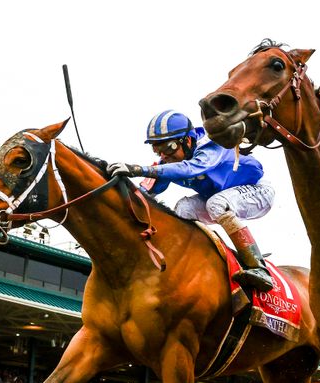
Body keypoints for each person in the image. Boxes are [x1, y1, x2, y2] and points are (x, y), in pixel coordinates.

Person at [109, 110, 276, 291]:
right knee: (183, 209)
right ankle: (189, 261)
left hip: (257, 191)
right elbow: (143, 194)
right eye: (157, 149)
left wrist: (137, 169)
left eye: (169, 147)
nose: (164, 155)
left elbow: (190, 169)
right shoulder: (168, 163)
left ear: (187, 140)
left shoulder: (212, 145)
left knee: (216, 204)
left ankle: (258, 267)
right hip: (220, 196)